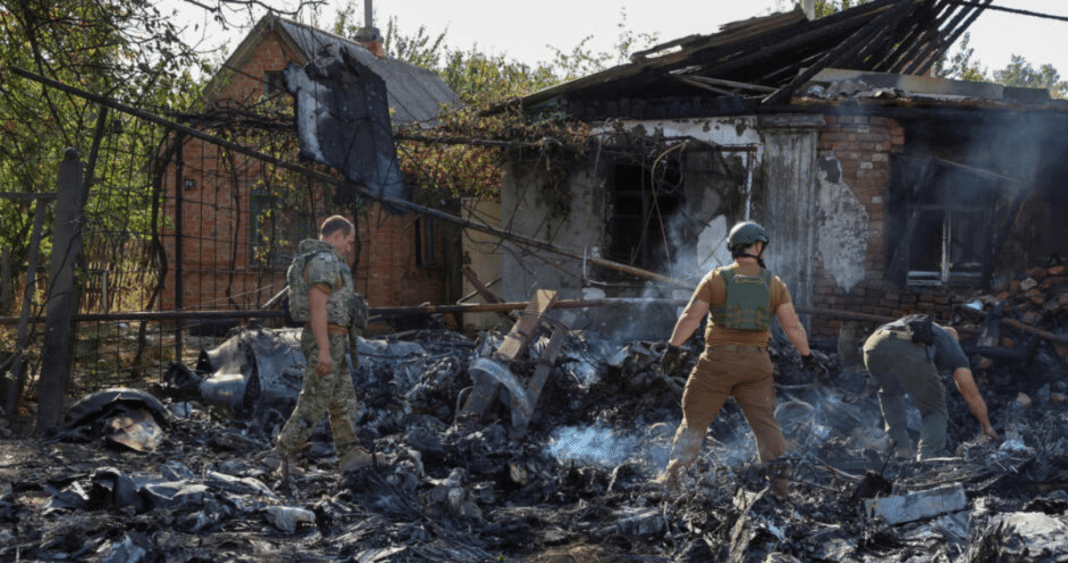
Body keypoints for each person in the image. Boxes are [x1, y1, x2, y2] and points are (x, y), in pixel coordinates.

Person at [657, 220, 816, 490]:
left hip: (717, 364)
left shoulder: (716, 279)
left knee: (694, 421)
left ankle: (673, 479)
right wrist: (806, 354)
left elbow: (690, 317)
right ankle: (779, 486)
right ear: (756, 247)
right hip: (756, 365)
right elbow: (792, 326)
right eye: (762, 246)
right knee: (766, 425)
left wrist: (673, 347)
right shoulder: (774, 283)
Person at [272, 215, 372, 481]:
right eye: (349, 241)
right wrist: (325, 350)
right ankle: (284, 453)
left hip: (334, 338)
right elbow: (317, 306)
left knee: (343, 399)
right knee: (315, 398)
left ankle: (350, 453)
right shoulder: (325, 261)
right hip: (325, 337)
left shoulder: (323, 260)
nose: (350, 248)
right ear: (337, 235)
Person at [862, 315, 997, 460]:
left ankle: (902, 448)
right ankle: (928, 458)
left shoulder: (922, 330)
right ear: (954, 339)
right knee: (934, 409)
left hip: (872, 345)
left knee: (891, 394)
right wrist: (986, 425)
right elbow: (971, 393)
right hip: (905, 347)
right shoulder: (951, 344)